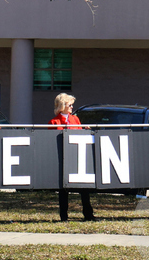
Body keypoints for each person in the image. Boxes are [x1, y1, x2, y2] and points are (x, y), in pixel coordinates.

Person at [49, 93, 96, 222]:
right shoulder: (54, 122)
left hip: (77, 158)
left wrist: (85, 130)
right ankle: (64, 216)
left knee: (84, 188)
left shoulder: (76, 119)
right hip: (63, 158)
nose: (71, 107)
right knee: (63, 190)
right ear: (62, 106)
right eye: (69, 104)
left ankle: (88, 214)